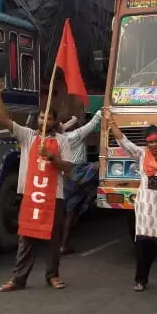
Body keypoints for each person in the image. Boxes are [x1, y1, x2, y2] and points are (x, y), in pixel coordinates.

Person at [0, 82, 74, 292]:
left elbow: (68, 168)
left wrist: (52, 158)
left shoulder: (62, 141)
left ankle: (52, 276)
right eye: (42, 117)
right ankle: (18, 279)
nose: (45, 121)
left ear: (55, 121)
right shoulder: (28, 136)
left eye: (50, 118)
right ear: (37, 119)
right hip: (31, 194)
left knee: (53, 239)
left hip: (53, 196)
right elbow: (5, 120)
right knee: (26, 237)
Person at [104, 111, 157, 293]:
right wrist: (111, 122)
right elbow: (123, 141)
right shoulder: (141, 155)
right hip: (145, 209)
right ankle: (141, 280)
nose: (154, 145)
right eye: (150, 142)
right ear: (146, 143)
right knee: (144, 246)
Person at [59, 108, 103, 255]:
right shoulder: (75, 135)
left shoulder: (59, 137)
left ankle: (63, 243)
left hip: (67, 175)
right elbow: (93, 122)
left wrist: (74, 119)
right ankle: (64, 244)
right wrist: (103, 108)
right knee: (102, 165)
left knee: (69, 211)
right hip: (78, 172)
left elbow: (65, 125)